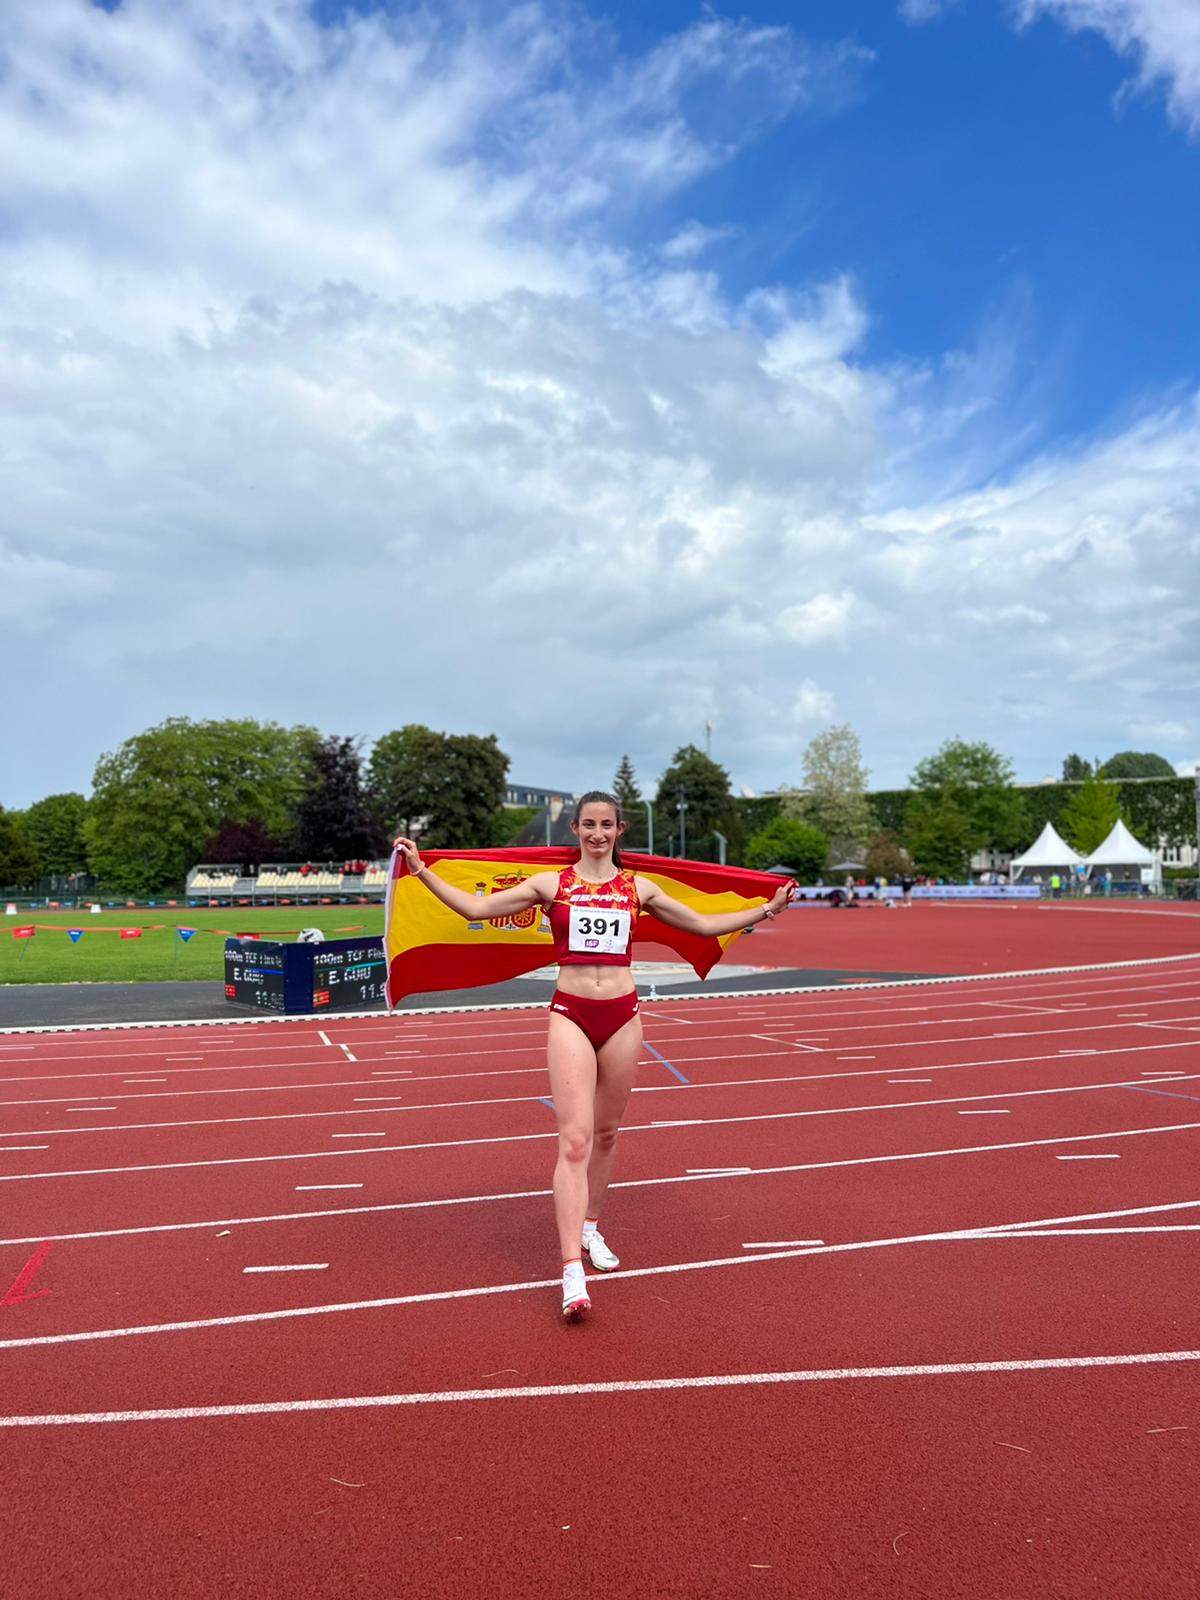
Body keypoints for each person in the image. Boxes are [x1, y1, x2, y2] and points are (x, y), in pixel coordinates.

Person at [393, 790, 795, 1321]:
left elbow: (699, 924)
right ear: (576, 830)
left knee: (606, 1134)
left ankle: (590, 1229)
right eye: (588, 825)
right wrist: (422, 871)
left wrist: (766, 910)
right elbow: (475, 907)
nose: (597, 833)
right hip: (570, 1013)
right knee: (575, 1139)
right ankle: (569, 1270)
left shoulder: (639, 888)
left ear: (619, 830)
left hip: (624, 1015)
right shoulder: (550, 884)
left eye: (606, 825)